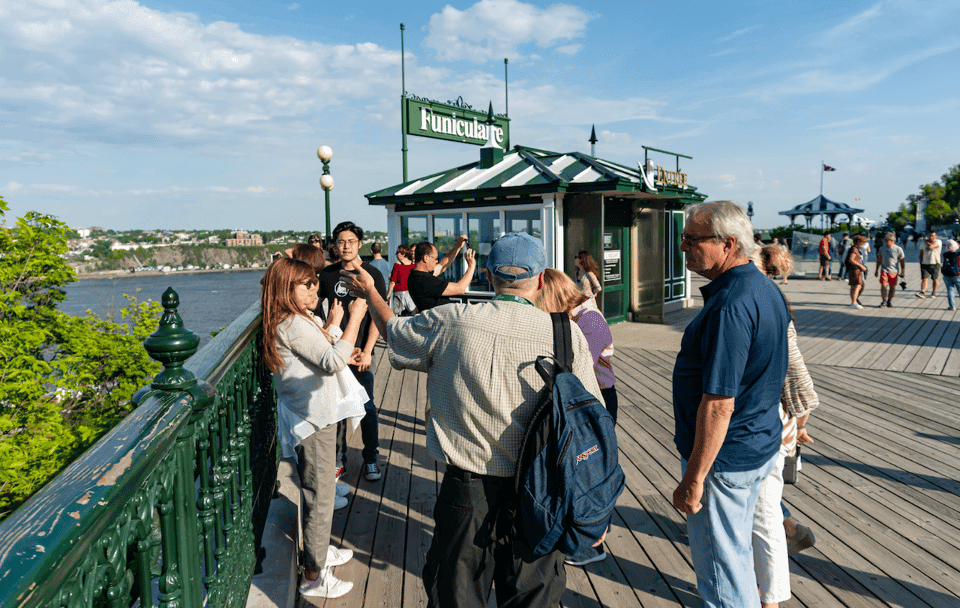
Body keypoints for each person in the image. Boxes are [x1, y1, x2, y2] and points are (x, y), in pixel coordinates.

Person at [341, 232, 604, 608]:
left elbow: (395, 334)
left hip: (468, 492)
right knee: (534, 597)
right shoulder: (567, 335)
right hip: (543, 490)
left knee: (457, 596)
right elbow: (591, 419)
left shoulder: (452, 322)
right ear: (541, 279)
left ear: (489, 277)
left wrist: (371, 293)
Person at [671, 200, 789, 608]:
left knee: (723, 572)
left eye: (692, 239)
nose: (683, 247)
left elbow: (719, 403)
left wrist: (694, 478)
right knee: (737, 556)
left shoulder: (730, 305)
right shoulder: (763, 287)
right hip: (757, 445)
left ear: (728, 244)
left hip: (725, 459)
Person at [260, 258, 364, 599]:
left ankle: (318, 553)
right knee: (320, 496)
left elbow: (320, 351)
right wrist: (355, 318)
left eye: (315, 282)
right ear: (287, 288)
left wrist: (334, 326)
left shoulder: (292, 320)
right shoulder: (292, 323)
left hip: (315, 414)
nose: (316, 288)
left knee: (320, 491)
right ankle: (314, 575)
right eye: (307, 284)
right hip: (313, 418)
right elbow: (332, 360)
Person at [535, 267, 619, 567]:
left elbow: (573, 367)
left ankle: (594, 542)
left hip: (596, 401)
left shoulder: (590, 320)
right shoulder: (575, 316)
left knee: (591, 470)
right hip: (581, 400)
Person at [754, 245, 821, 608]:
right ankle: (791, 528)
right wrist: (798, 425)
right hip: (778, 425)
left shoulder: (763, 302)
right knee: (764, 506)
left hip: (766, 426)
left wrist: (797, 422)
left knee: (762, 517)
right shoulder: (774, 298)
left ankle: (771, 599)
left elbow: (800, 382)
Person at [317, 221, 387, 482]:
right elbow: (319, 316)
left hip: (360, 353)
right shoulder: (327, 276)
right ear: (335, 245)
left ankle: (371, 458)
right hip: (335, 353)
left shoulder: (371, 275)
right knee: (335, 410)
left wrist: (368, 351)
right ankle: (339, 462)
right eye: (341, 241)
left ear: (360, 243)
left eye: (351, 241)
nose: (345, 246)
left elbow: (378, 317)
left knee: (366, 406)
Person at [407, 240, 477, 311]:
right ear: (426, 258)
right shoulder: (423, 280)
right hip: (441, 321)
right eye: (435, 258)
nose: (437, 261)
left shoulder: (415, 275)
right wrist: (472, 265)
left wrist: (457, 247)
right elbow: (460, 288)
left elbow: (442, 265)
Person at [875, 233, 905, 308]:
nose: (885, 241)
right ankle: (884, 300)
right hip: (884, 269)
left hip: (894, 271)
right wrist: (876, 270)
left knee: (892, 287)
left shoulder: (898, 249)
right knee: (883, 285)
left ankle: (889, 301)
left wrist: (902, 271)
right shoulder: (882, 248)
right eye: (884, 240)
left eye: (886, 240)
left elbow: (902, 261)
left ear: (892, 241)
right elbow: (879, 259)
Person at [387, 244, 417, 316]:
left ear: (402, 254)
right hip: (410, 294)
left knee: (398, 316)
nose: (396, 254)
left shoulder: (397, 265)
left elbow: (392, 282)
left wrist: (388, 294)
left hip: (398, 294)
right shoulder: (413, 265)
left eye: (397, 252)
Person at [916, 230, 943, 298]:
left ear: (936, 236)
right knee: (924, 278)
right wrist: (920, 260)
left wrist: (926, 242)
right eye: (930, 235)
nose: (931, 237)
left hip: (935, 263)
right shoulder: (923, 244)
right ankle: (922, 292)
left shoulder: (938, 241)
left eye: (932, 236)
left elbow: (930, 246)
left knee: (934, 279)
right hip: (925, 263)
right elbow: (921, 253)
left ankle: (934, 292)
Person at [847, 235, 868, 308]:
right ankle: (854, 302)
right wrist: (861, 266)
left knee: (854, 286)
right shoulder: (854, 249)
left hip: (852, 269)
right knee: (858, 285)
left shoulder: (854, 249)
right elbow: (851, 260)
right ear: (858, 242)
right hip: (855, 270)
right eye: (862, 243)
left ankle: (854, 300)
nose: (863, 245)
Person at [942, 239, 959, 311]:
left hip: (946, 274)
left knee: (950, 291)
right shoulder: (957, 254)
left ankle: (952, 306)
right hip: (956, 275)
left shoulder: (945, 254)